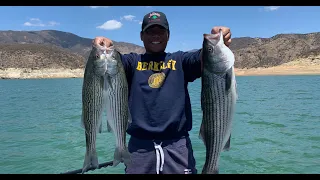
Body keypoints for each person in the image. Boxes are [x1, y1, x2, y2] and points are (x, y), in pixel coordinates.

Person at [92, 11, 232, 174]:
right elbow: (111, 64)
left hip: (178, 148)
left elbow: (204, 58)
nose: (155, 36)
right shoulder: (132, 62)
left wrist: (219, 42)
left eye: (160, 31)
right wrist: (105, 48)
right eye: (150, 31)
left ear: (168, 35)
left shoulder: (180, 60)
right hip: (139, 149)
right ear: (141, 36)